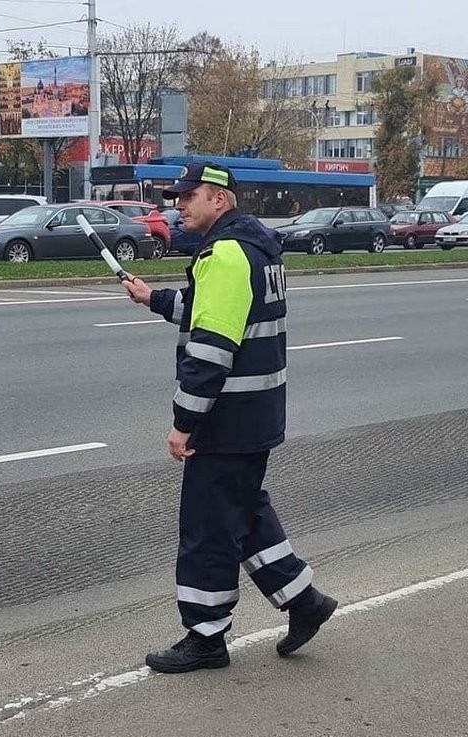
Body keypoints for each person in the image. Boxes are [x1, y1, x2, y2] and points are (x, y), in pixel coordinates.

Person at [121, 163, 337, 674]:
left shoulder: (225, 255)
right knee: (243, 512)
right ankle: (304, 600)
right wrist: (153, 298)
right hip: (255, 414)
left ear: (218, 199)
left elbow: (212, 349)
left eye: (188, 196)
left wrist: (184, 423)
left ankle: (206, 638)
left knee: (209, 531)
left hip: (226, 418)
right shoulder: (255, 248)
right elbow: (211, 309)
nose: (179, 206)